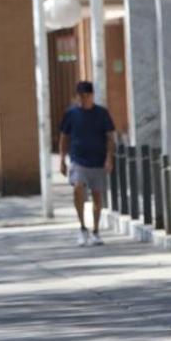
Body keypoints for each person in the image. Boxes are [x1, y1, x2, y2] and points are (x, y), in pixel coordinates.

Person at [58, 81, 116, 247]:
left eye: (86, 96)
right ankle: (83, 227)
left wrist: (109, 158)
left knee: (97, 196)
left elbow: (110, 137)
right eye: (80, 96)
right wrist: (62, 159)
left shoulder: (102, 114)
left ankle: (96, 231)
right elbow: (64, 137)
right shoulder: (71, 114)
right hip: (78, 160)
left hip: (98, 161)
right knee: (78, 188)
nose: (83, 99)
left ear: (92, 95)